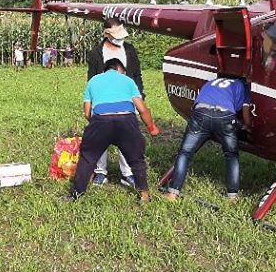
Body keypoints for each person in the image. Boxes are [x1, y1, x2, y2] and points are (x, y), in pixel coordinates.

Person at [69, 59, 160, 202]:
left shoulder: (93, 81)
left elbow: (87, 113)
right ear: (120, 69)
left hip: (100, 120)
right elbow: (142, 109)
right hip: (126, 121)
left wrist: (98, 125)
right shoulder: (127, 80)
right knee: (137, 160)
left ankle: (76, 195)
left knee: (87, 158)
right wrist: (152, 128)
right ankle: (145, 196)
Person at [163, 76, 252, 202]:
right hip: (224, 115)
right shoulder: (243, 87)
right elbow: (246, 111)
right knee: (231, 155)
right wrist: (246, 126)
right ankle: (233, 196)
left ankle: (173, 193)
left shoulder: (212, 82)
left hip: (201, 113)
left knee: (185, 153)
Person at [86, 19, 145, 187]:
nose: (120, 39)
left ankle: (127, 174)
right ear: (106, 34)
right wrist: (92, 101)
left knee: (127, 136)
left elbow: (137, 75)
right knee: (100, 136)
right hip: (103, 100)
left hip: (127, 99)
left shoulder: (130, 50)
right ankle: (100, 172)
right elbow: (92, 79)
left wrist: (139, 95)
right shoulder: (96, 53)